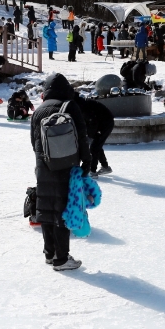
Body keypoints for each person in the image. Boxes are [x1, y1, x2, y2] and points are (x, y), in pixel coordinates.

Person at [30, 73, 91, 271]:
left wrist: (43, 161)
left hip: (44, 167)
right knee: (62, 211)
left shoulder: (39, 110)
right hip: (66, 166)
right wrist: (87, 163)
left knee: (47, 211)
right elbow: (82, 137)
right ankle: (62, 259)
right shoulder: (69, 106)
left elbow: (33, 142)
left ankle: (50, 254)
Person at [77, 96, 114, 176]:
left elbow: (92, 121)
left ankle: (92, 171)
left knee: (94, 147)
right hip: (101, 123)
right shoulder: (80, 103)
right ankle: (105, 167)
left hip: (105, 124)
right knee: (97, 146)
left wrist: (89, 136)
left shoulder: (82, 106)